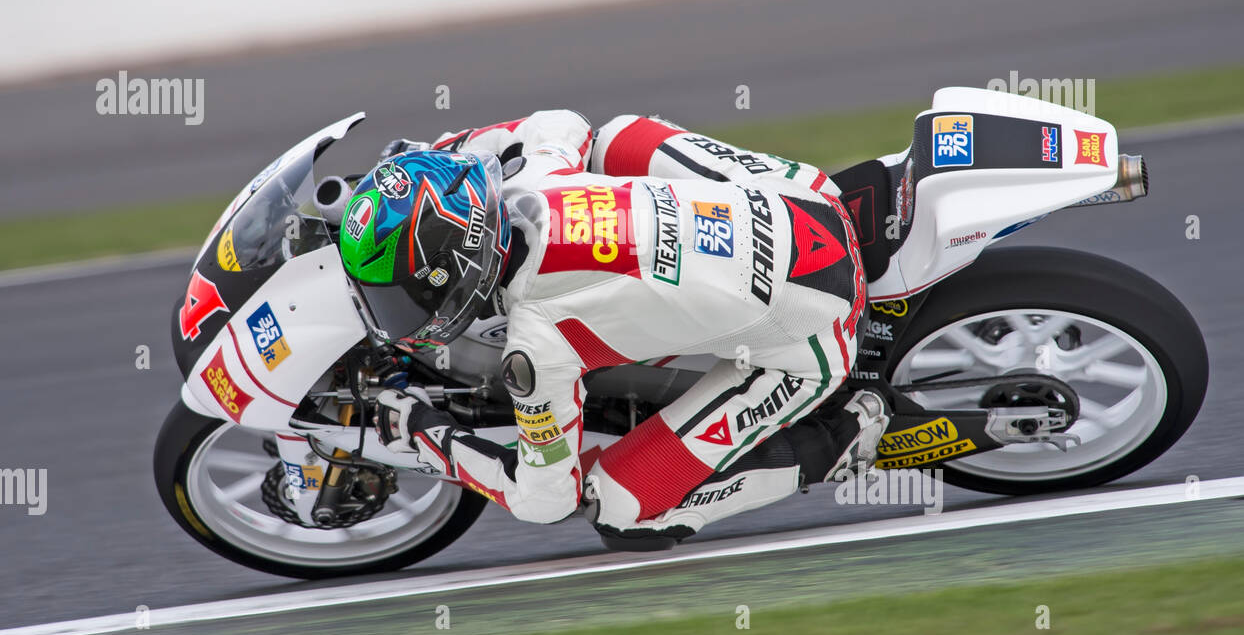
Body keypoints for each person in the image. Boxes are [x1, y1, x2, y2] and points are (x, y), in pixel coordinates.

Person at [338, 109, 888, 549]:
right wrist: (449, 149)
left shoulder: (538, 342)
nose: (405, 312)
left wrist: (428, 437)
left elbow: (546, 500)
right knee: (612, 136)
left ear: (457, 264)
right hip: (807, 197)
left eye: (409, 294)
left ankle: (836, 443)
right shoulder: (533, 173)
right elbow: (562, 122)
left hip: (816, 334)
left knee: (620, 508)